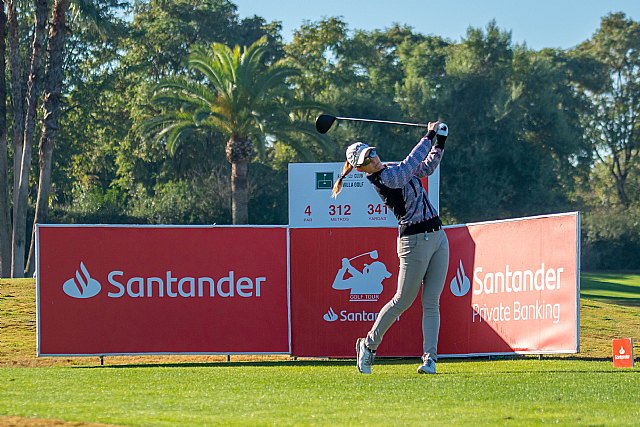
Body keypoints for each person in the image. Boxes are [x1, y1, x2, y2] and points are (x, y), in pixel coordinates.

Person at [331, 121, 449, 375]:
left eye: (372, 153)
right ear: (361, 168)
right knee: (402, 301)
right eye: (366, 160)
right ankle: (369, 345)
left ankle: (430, 359)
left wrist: (440, 141)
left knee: (431, 302)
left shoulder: (392, 168)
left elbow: (426, 167)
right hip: (414, 241)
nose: (373, 159)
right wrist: (428, 135)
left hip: (438, 236)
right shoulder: (384, 178)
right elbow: (410, 164)